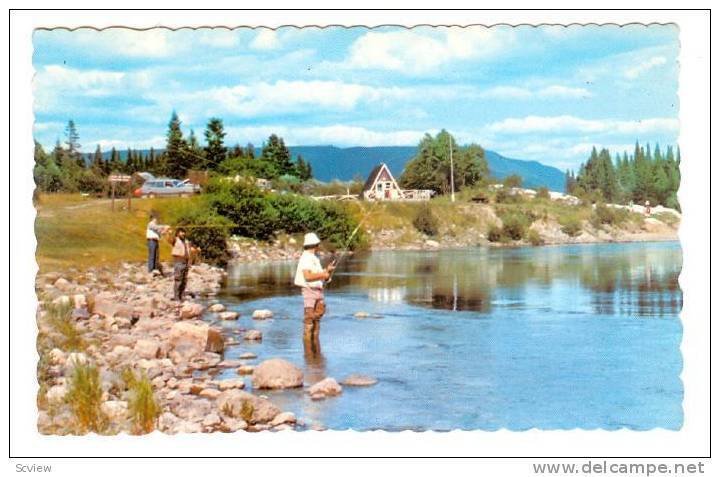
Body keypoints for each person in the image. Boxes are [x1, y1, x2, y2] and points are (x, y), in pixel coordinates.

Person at [294, 233, 336, 351]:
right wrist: (323, 274)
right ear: (315, 245)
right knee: (309, 319)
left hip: (318, 291)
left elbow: (319, 276)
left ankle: (316, 350)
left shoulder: (314, 258)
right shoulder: (306, 258)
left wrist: (327, 271)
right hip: (309, 291)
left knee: (317, 318)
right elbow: (307, 276)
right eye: (318, 244)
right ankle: (308, 351)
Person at [171, 228, 192, 302]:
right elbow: (168, 238)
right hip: (178, 262)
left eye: (184, 232)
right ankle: (176, 297)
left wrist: (189, 262)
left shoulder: (186, 241)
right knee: (178, 280)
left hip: (185, 262)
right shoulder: (175, 239)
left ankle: (181, 296)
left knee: (184, 280)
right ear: (177, 233)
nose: (183, 234)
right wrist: (167, 231)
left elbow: (189, 252)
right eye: (181, 232)